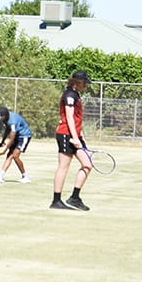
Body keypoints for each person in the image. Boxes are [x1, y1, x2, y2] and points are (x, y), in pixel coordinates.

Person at [51, 70, 95, 211]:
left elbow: (76, 119)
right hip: (65, 134)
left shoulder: (76, 95)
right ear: (77, 82)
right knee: (63, 167)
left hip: (75, 135)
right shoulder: (69, 95)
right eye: (83, 83)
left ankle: (75, 197)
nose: (85, 86)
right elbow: (69, 117)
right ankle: (56, 200)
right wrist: (74, 138)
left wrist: (80, 136)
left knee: (87, 165)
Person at [0, 105, 33, 184]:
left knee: (15, 156)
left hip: (24, 136)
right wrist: (2, 141)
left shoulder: (13, 122)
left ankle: (25, 177)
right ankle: (0, 176)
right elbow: (7, 130)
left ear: (5, 116)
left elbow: (12, 139)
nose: (0, 118)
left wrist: (4, 151)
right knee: (10, 156)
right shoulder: (6, 119)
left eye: (1, 116)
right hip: (17, 135)